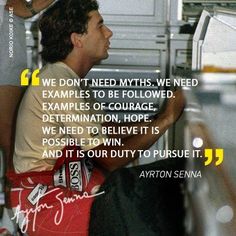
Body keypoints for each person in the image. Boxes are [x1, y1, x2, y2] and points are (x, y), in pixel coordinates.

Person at [8, 0, 186, 235]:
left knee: (170, 178)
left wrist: (156, 120)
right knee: (155, 203)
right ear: (77, 39)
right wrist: (166, 120)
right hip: (45, 203)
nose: (109, 32)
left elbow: (107, 130)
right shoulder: (59, 83)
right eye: (100, 26)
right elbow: (109, 158)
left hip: (60, 189)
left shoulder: (67, 79)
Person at [0, 0, 55, 169]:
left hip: (7, 41)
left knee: (10, 138)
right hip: (7, 41)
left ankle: (17, 189)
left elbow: (13, 8)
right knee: (9, 137)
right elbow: (13, 8)